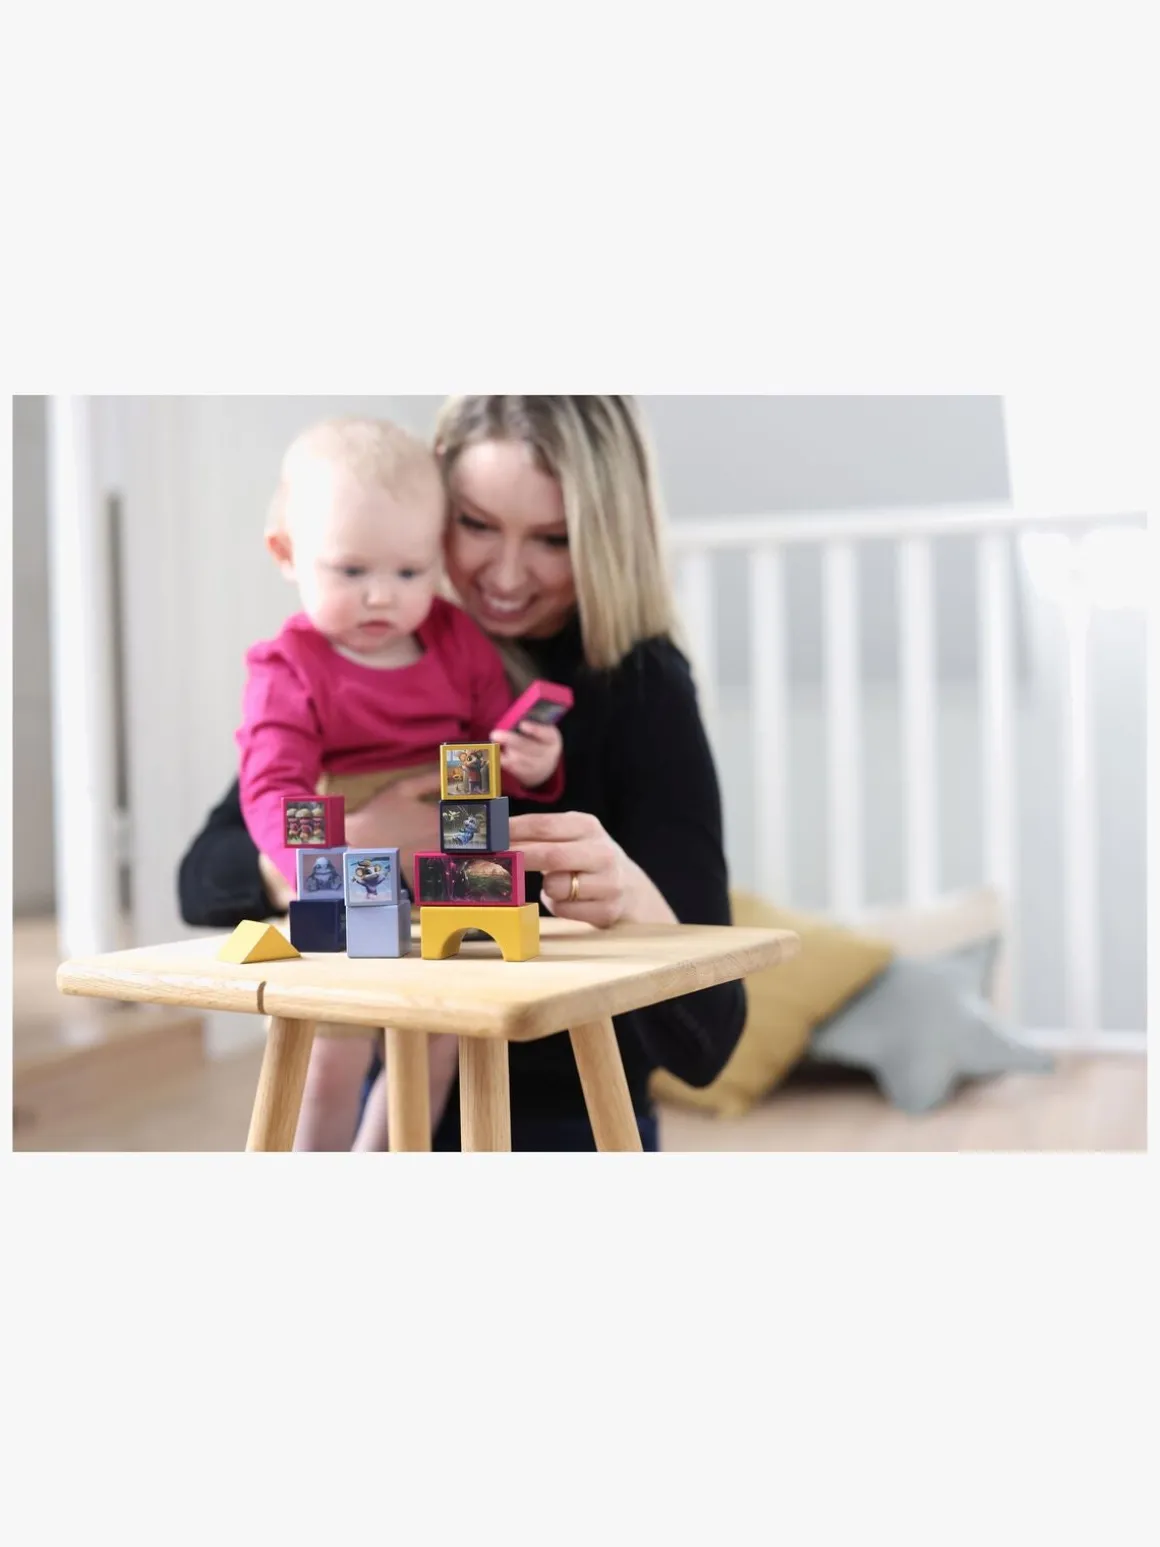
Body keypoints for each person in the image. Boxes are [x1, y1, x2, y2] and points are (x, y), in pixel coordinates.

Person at [178, 396, 745, 1151]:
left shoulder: (637, 687)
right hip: (383, 1045)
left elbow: (711, 1042)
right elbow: (206, 871)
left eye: (552, 538)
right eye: (476, 525)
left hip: (563, 1112)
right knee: (331, 1060)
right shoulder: (349, 649)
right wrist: (346, 851)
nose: (505, 574)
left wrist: (631, 897)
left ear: (603, 534)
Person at [237, 416, 563, 1148]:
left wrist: (535, 762)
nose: (382, 596)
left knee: (438, 1044)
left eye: (410, 573)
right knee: (331, 1057)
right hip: (348, 866)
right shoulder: (287, 666)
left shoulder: (455, 639)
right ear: (287, 554)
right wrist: (325, 869)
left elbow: (494, 749)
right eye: (352, 572)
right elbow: (272, 787)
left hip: (454, 863)